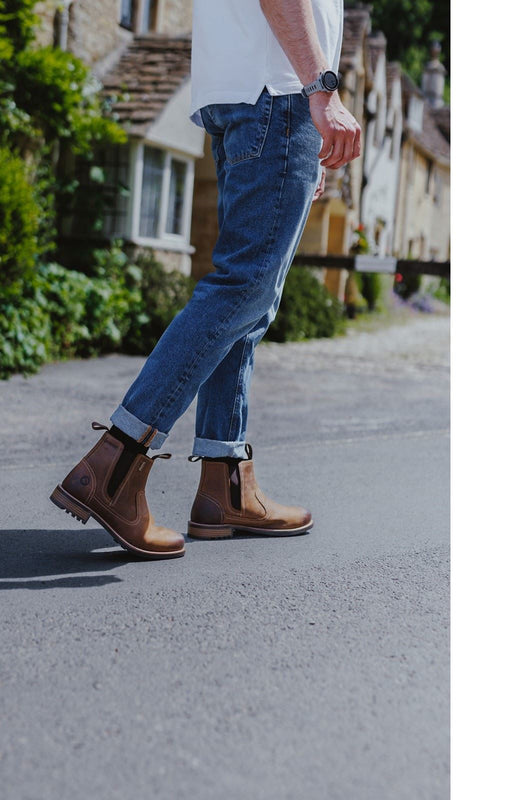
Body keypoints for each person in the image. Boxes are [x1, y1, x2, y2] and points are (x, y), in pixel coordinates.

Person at [50, 0, 361, 559]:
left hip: (241, 92)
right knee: (243, 288)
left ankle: (226, 484)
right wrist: (323, 90)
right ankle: (115, 465)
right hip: (281, 93)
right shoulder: (300, 91)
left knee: (250, 303)